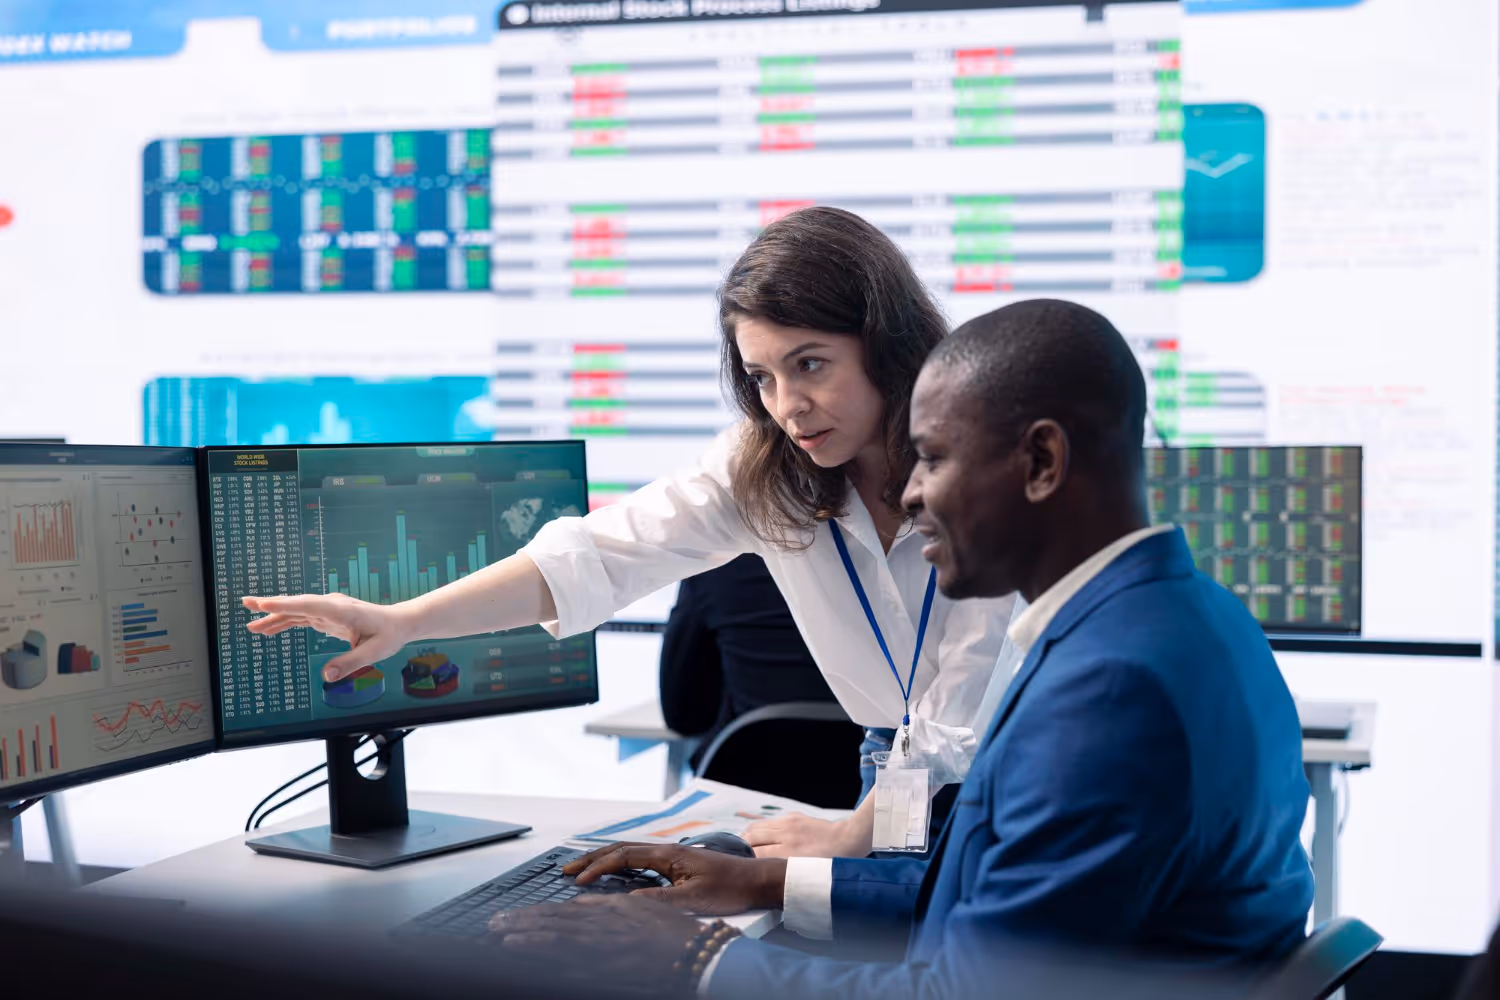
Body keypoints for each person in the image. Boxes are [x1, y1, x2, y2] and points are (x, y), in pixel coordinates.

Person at [484, 299, 1316, 997]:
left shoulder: (1109, 688)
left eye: (934, 458)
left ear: (1041, 461)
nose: (909, 495)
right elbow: (1001, 904)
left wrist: (698, 959)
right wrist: (766, 882)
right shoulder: (1182, 617)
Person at [242, 207, 1019, 859]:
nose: (788, 403)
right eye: (762, 378)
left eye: (810, 364)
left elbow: (970, 690)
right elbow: (597, 559)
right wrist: (405, 622)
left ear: (884, 344)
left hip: (1010, 770)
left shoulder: (984, 459)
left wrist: (850, 839)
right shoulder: (763, 472)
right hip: (888, 768)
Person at [659, 554, 857, 806]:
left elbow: (684, 715)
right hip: (864, 795)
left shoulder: (714, 566)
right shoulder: (875, 562)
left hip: (742, 796)